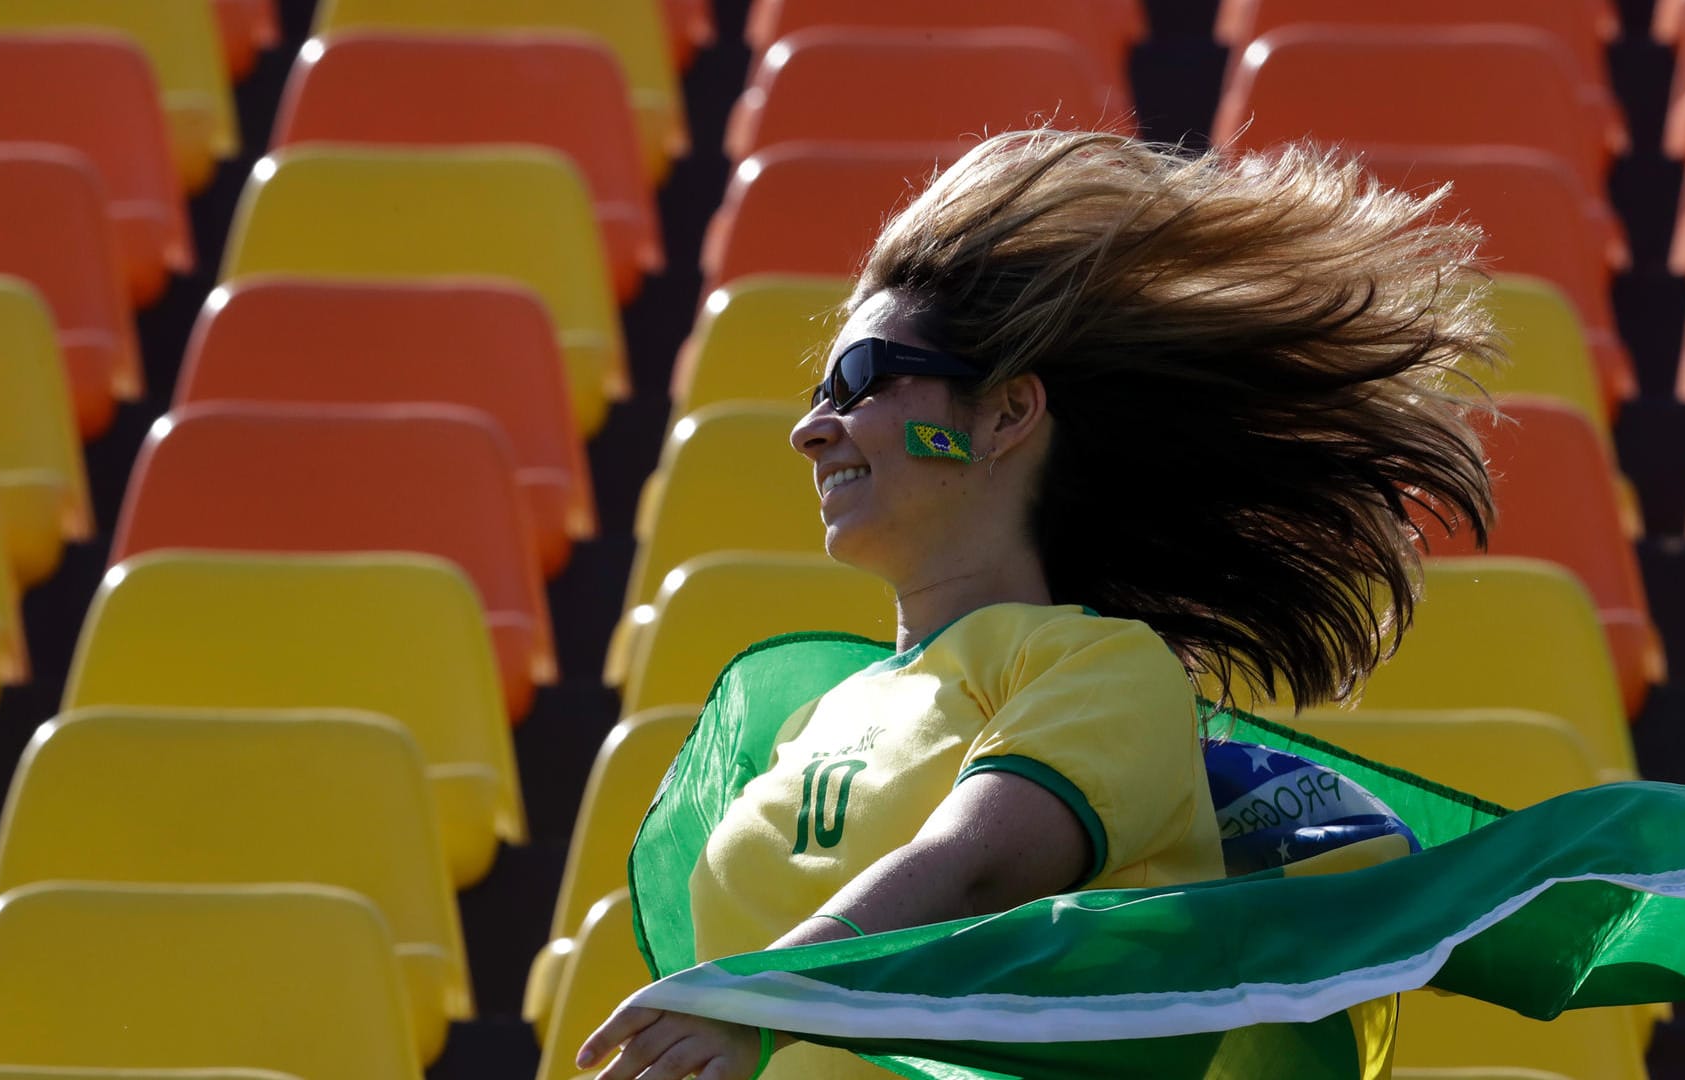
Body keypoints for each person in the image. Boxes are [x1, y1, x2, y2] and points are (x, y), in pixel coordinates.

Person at [580, 128, 1502, 1079]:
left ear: (1009, 413)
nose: (812, 430)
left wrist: (763, 993)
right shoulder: (814, 716)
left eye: (861, 380)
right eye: (819, 391)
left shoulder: (1101, 667)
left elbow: (974, 867)